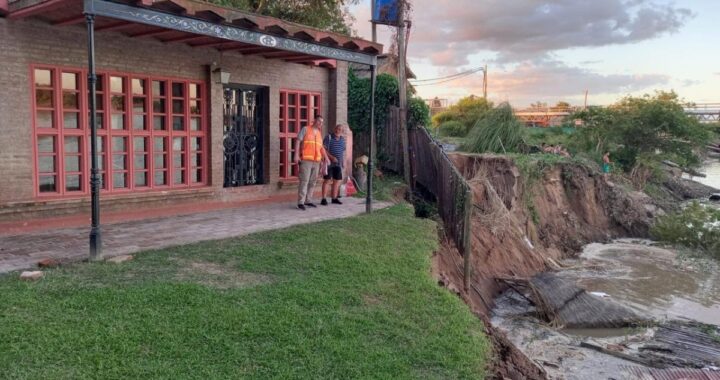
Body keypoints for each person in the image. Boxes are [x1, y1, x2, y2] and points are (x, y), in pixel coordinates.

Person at [295, 115, 327, 211]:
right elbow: (298, 141)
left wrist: (325, 159)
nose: (320, 124)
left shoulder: (319, 133)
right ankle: (300, 202)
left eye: (321, 122)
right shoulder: (305, 129)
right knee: (304, 181)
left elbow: (321, 148)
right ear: (314, 121)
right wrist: (296, 155)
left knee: (313, 182)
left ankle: (308, 200)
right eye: (319, 121)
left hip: (316, 161)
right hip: (306, 160)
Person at [321, 124, 347, 205]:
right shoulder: (328, 137)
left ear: (342, 131)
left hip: (338, 164)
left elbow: (343, 152)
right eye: (336, 128)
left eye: (339, 129)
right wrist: (331, 157)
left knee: (337, 181)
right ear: (334, 129)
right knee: (327, 180)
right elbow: (323, 149)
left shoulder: (342, 140)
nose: (337, 130)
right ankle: (324, 199)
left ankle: (334, 198)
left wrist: (343, 161)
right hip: (329, 163)